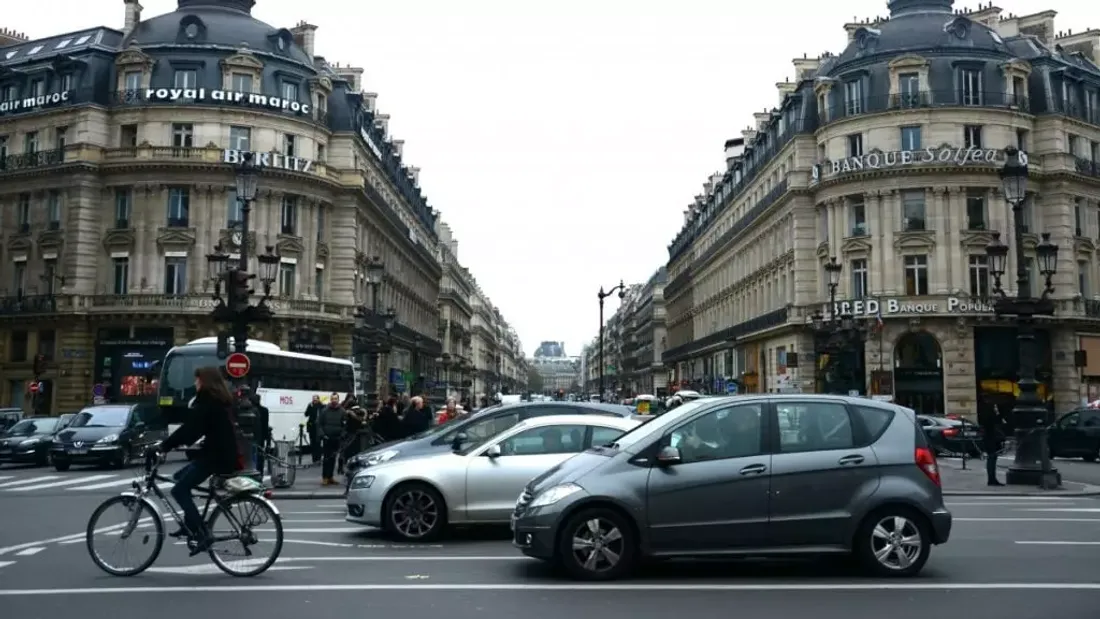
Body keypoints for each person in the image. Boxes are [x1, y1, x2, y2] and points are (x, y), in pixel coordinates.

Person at [158, 367, 243, 555]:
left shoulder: (208, 401)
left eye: (197, 380)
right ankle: (190, 523)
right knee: (179, 476)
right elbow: (202, 429)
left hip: (216, 458)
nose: (195, 383)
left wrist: (165, 446)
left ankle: (202, 532)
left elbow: (192, 428)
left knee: (178, 490)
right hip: (217, 454)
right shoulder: (216, 400)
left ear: (204, 381)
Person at [319, 393, 345, 485]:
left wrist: (341, 435)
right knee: (326, 458)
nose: (334, 400)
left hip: (337, 438)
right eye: (333, 399)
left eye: (336, 399)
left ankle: (330, 477)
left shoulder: (342, 411)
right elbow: (319, 424)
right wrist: (323, 435)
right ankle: (325, 477)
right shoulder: (325, 411)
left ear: (338, 400)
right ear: (331, 400)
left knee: (333, 458)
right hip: (327, 438)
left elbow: (344, 425)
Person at [978, 403, 1005, 486]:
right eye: (995, 407)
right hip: (991, 439)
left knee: (992, 458)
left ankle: (992, 479)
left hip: (989, 439)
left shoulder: (986, 416)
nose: (996, 408)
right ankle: (992, 479)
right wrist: (998, 414)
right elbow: (1000, 422)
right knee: (992, 459)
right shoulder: (991, 417)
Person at [304, 395, 324, 463]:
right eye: (313, 399)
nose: (314, 401)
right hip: (312, 428)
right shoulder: (310, 405)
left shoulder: (322, 406)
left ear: (318, 400)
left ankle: (318, 458)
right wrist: (310, 407)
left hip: (318, 428)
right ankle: (314, 459)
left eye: (315, 400)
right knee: (313, 444)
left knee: (318, 444)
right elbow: (306, 414)